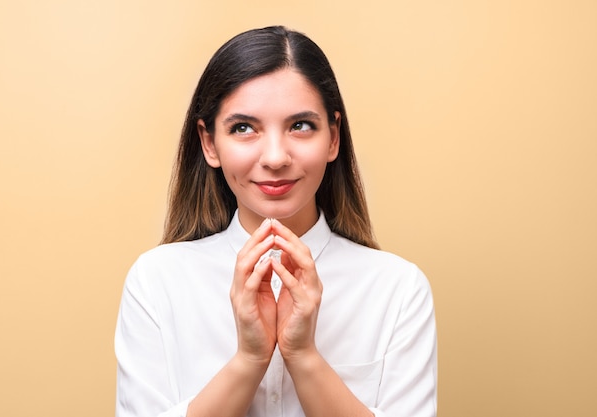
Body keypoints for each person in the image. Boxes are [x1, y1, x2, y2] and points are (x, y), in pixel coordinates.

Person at [115, 26, 437, 417]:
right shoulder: (157, 281)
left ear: (333, 137)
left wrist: (303, 356)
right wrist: (249, 360)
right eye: (243, 128)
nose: (275, 157)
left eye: (300, 125)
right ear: (209, 143)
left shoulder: (398, 290)